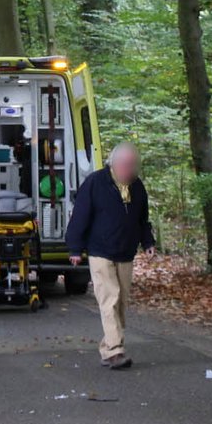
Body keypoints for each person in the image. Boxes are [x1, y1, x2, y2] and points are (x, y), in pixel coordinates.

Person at [65, 143, 155, 370]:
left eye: (132, 165)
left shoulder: (137, 186)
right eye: (125, 164)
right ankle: (115, 351)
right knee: (109, 298)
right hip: (100, 251)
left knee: (121, 302)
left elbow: (142, 219)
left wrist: (148, 242)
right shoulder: (95, 183)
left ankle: (108, 348)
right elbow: (80, 216)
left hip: (125, 252)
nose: (129, 169)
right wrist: (75, 248)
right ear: (113, 163)